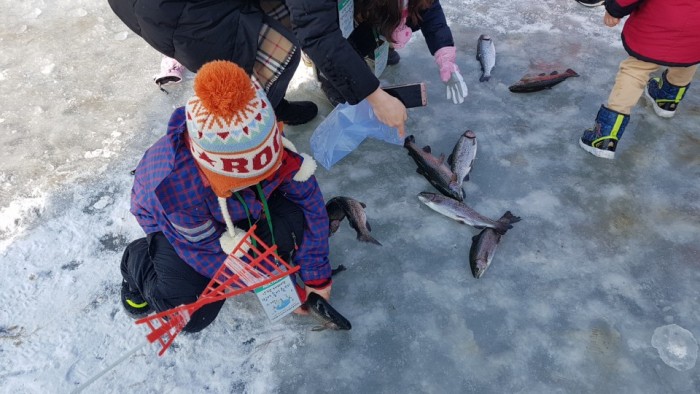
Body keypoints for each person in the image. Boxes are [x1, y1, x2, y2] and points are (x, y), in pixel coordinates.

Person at [120, 60, 333, 332]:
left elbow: (310, 202)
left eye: (265, 172)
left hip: (235, 208)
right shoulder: (179, 192)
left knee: (294, 220)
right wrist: (280, 286)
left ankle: (260, 241)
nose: (265, 176)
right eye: (246, 178)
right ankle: (138, 261)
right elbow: (207, 253)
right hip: (177, 229)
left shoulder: (263, 142)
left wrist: (317, 277)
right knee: (191, 313)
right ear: (218, 169)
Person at [108, 0, 407, 134]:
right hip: (177, 15)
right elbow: (318, 35)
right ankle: (254, 122)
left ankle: (269, 103)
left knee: (290, 15)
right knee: (282, 49)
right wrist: (376, 97)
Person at [579, 0, 700, 159]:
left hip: (659, 26)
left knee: (636, 70)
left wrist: (615, 9)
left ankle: (605, 136)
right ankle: (667, 100)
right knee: (687, 60)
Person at [319, 0, 468, 106]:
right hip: (362, 16)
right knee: (347, 50)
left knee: (384, 33)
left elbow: (433, 17)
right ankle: (328, 79)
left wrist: (446, 60)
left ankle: (381, 45)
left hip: (390, 22)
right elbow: (322, 32)